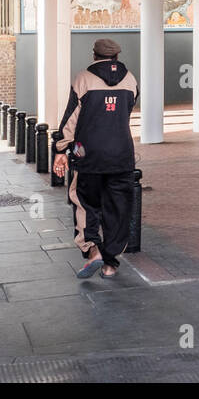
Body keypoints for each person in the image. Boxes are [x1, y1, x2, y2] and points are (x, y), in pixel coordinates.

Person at [53, 38, 139, 279]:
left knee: (84, 201)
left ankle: (92, 249)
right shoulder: (131, 79)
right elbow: (127, 111)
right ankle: (110, 264)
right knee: (117, 207)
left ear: (94, 56)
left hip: (87, 153)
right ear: (117, 57)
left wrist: (61, 149)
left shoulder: (83, 78)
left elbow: (71, 118)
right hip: (122, 154)